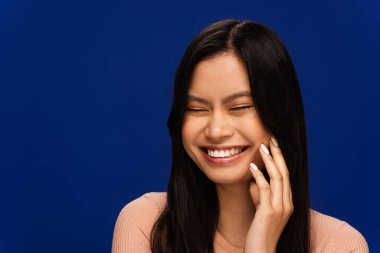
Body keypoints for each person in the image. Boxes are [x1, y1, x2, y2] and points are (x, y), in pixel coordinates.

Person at [111, 19, 369, 253]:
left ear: (279, 115)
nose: (215, 130)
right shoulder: (145, 223)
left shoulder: (339, 245)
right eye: (197, 109)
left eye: (239, 107)